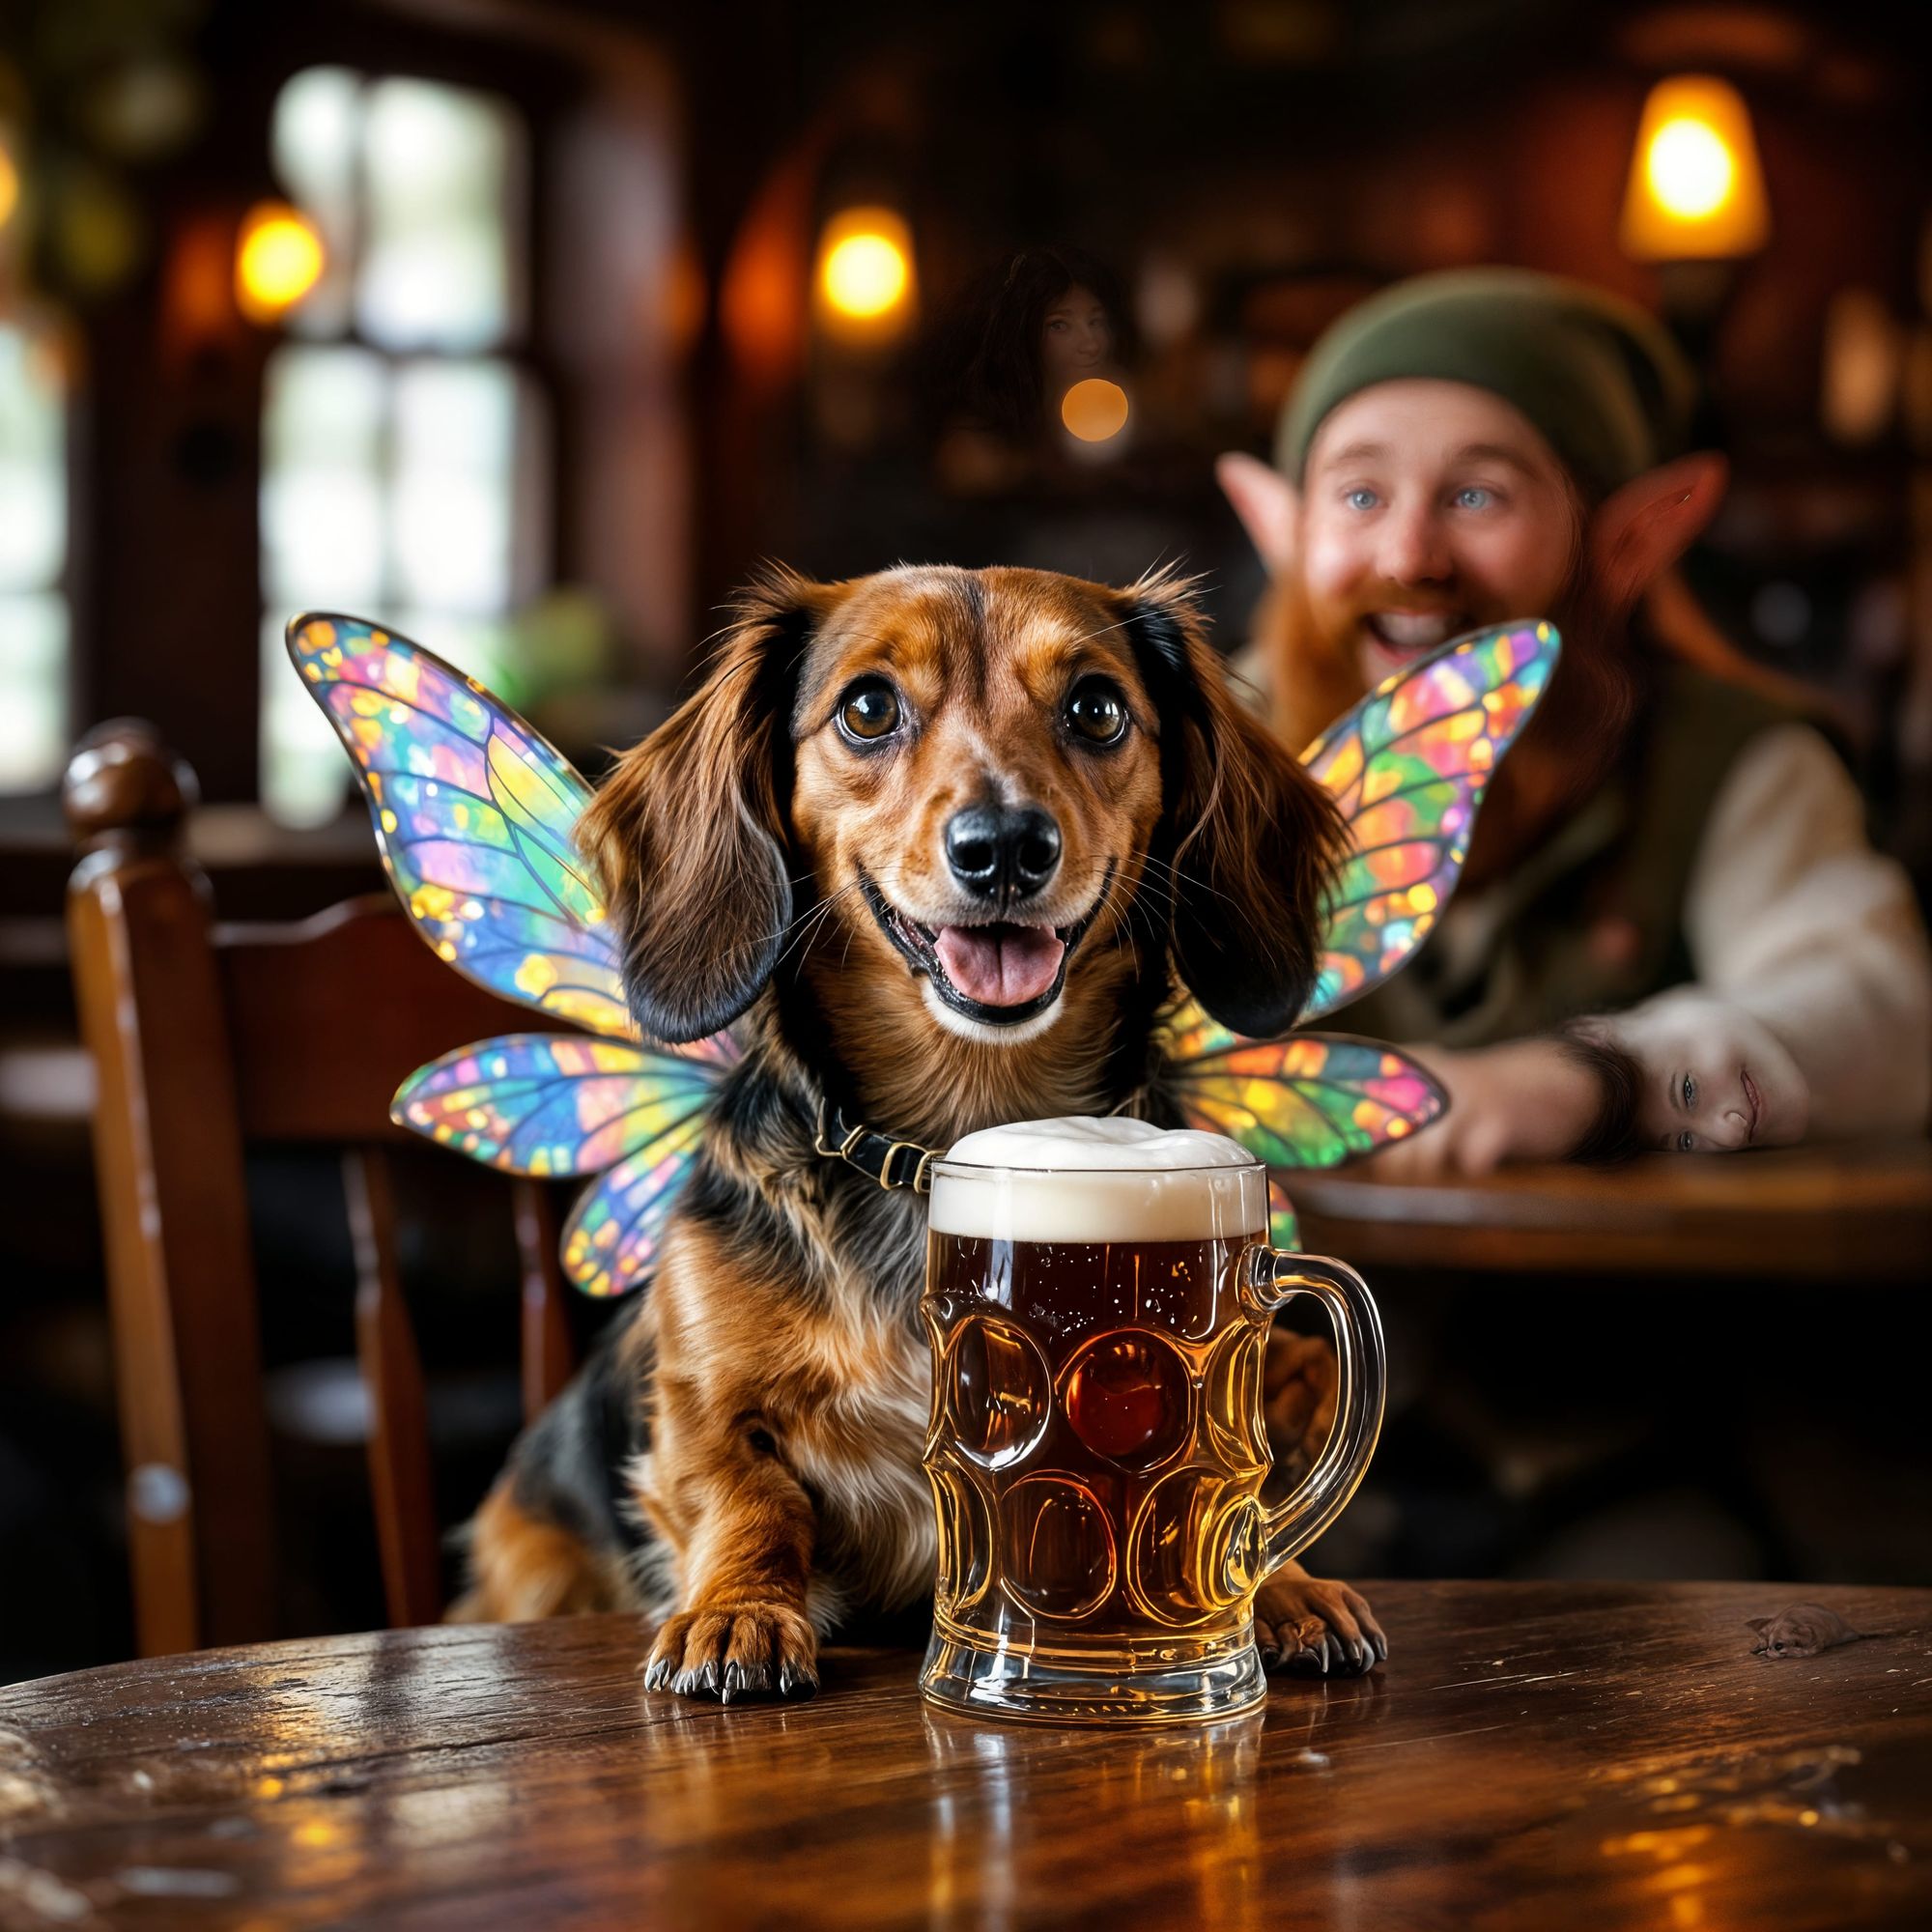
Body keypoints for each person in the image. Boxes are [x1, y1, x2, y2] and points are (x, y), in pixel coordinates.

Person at [1216, 268, 1932, 1173]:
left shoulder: (1730, 758)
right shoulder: (1205, 743)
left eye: (1477, 495)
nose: (1409, 557)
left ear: (1623, 542)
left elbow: (1884, 1021)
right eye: (1361, 495)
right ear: (1284, 530)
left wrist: (1601, 1082)